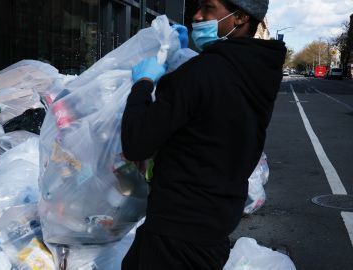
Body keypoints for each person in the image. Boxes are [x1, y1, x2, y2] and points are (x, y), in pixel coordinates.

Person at [121, 0, 286, 269]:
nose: (196, 15)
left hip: (175, 233)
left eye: (209, 7)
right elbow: (209, 117)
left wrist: (142, 84)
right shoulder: (257, 71)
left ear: (239, 18)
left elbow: (136, 142)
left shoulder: (202, 72)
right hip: (213, 227)